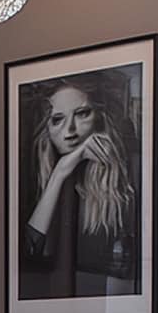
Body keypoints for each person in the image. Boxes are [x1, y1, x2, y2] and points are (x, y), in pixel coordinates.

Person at [21, 76, 138, 299]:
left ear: (100, 116)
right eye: (57, 120)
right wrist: (60, 172)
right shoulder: (34, 175)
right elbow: (28, 254)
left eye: (82, 113)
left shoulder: (128, 174)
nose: (71, 130)